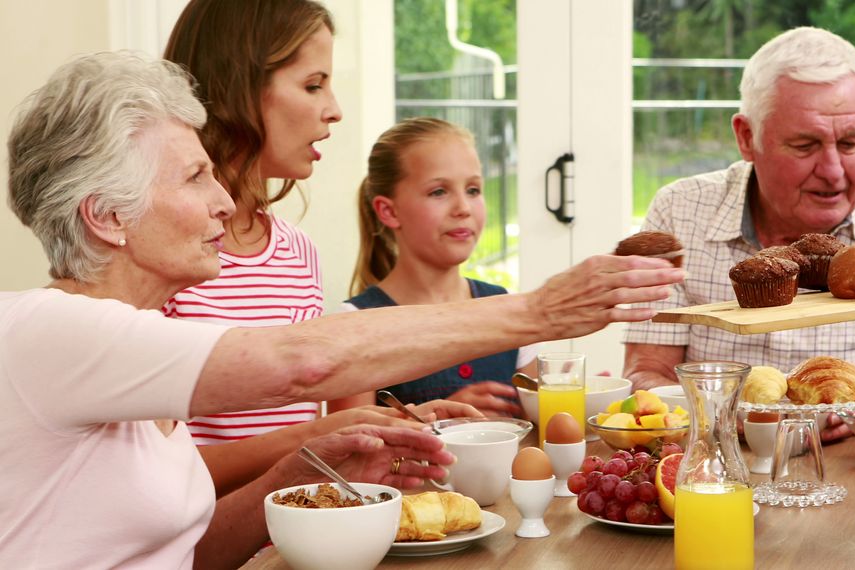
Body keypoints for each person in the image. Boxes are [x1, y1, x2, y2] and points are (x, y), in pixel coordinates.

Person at [1, 51, 684, 567]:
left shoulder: (135, 353)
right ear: (106, 217)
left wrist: (300, 475)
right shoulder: (47, 331)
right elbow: (303, 363)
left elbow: (188, 550)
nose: (221, 200)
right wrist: (540, 311)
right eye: (194, 176)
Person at [159, 0, 482, 497]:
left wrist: (391, 427)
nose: (334, 109)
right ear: (238, 87)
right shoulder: (164, 256)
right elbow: (152, 476)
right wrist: (319, 435)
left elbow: (323, 447)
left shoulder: (297, 252)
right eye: (313, 85)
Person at [621, 27, 855, 438]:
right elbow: (648, 374)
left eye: (851, 142)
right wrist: (729, 420)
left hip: (851, 472)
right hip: (718, 461)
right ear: (747, 137)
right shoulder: (679, 212)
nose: (834, 171)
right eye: (805, 146)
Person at [329, 118, 535, 418]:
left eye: (474, 190)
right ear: (389, 211)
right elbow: (344, 453)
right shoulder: (353, 326)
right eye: (439, 192)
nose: (463, 207)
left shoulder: (507, 311)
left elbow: (547, 428)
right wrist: (439, 419)